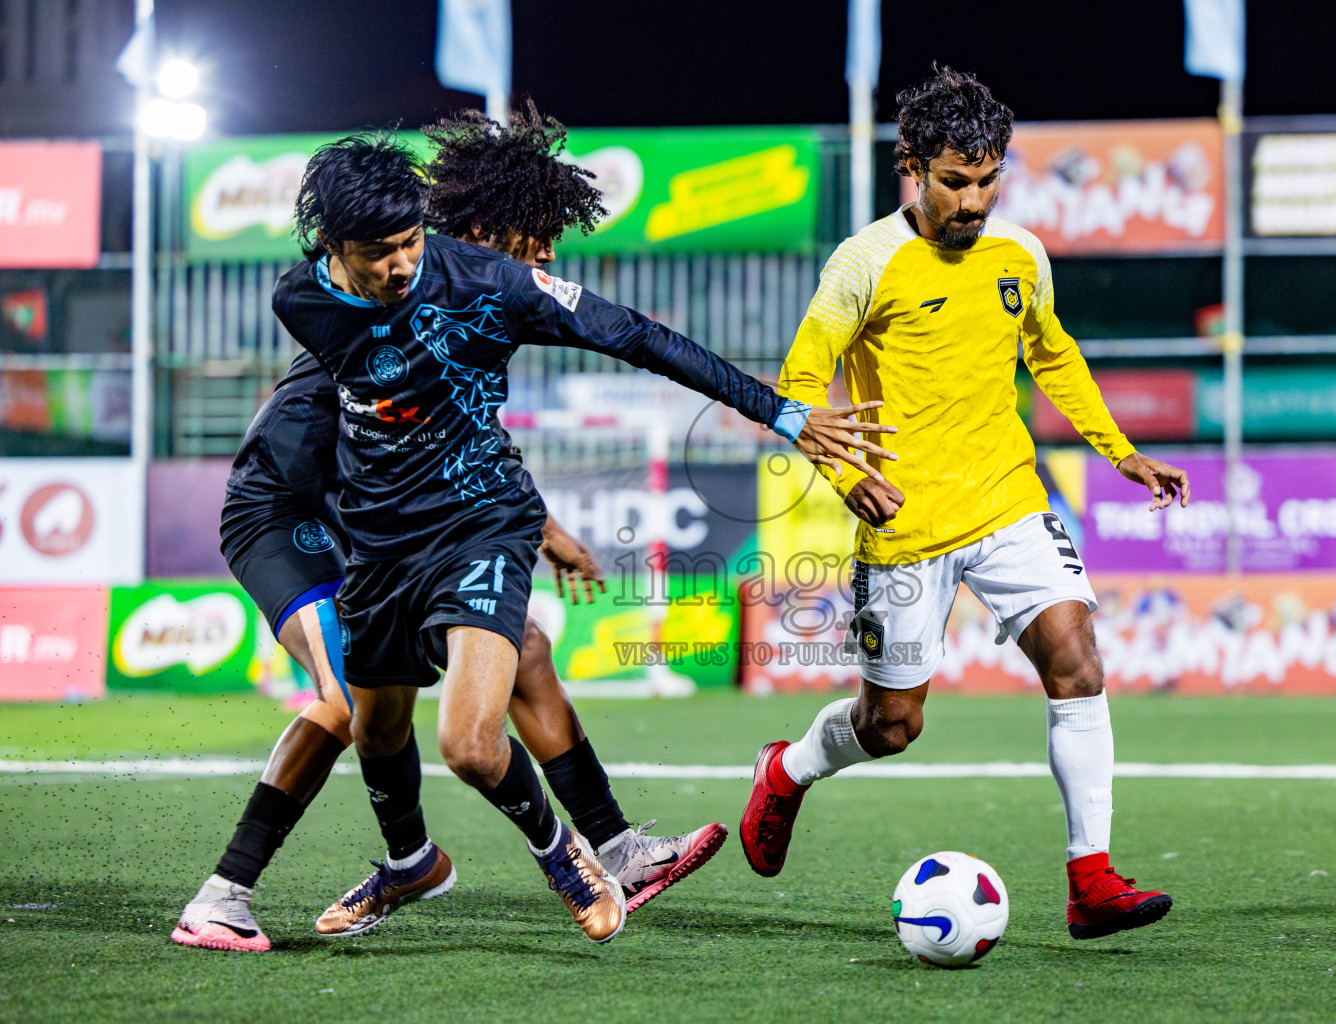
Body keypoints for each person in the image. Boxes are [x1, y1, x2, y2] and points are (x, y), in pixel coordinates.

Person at [168, 106, 774, 952]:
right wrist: (526, 519)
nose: (550, 258)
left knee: (516, 650)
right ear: (487, 232)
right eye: (537, 237)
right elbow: (396, 440)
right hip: (291, 511)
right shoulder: (364, 299)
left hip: (388, 518)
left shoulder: (452, 287)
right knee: (349, 702)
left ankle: (609, 848)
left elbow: (459, 435)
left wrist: (532, 518)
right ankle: (229, 890)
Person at [269, 128, 893, 945]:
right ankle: (411, 862)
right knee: (376, 730)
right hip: (379, 543)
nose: (400, 266)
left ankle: (571, 853)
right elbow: (375, 399)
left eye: (412, 243)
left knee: (466, 742)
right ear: (332, 248)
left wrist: (782, 414)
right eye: (377, 253)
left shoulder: (492, 284)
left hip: (475, 524)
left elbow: (641, 337)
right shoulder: (300, 300)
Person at [737, 67, 1191, 941]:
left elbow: (1051, 355)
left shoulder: (1021, 255)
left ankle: (1090, 881)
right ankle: (787, 771)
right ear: (912, 166)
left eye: (988, 179)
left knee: (1078, 660)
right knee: (893, 724)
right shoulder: (863, 264)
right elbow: (799, 384)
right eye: (955, 181)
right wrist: (845, 475)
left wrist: (1120, 452)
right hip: (902, 525)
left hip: (1009, 501)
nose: (974, 199)